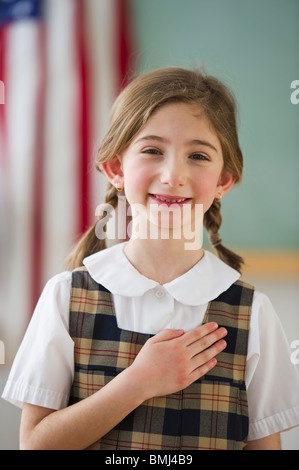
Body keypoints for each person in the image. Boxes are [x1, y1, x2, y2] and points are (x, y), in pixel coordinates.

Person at [2, 67, 299, 450]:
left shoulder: (252, 312)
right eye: (153, 150)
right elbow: (35, 444)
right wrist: (138, 383)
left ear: (224, 179)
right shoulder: (65, 296)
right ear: (115, 168)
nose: (173, 174)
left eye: (198, 155)